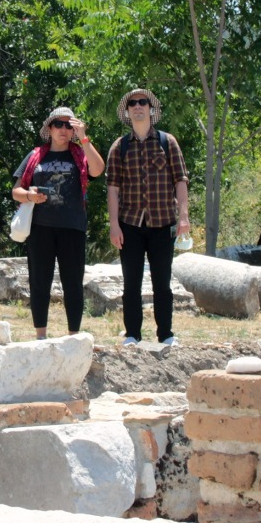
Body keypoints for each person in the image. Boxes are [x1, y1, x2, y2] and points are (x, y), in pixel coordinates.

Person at [104, 88, 191, 347]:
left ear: (151, 109)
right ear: (127, 111)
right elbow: (113, 189)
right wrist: (114, 225)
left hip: (163, 222)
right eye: (133, 103)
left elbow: (181, 180)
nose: (138, 106)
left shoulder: (168, 141)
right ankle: (132, 335)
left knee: (162, 284)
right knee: (131, 284)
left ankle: (166, 335)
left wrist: (184, 217)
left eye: (143, 102)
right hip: (130, 224)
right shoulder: (120, 147)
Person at [11, 107, 103, 338]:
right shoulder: (35, 156)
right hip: (40, 227)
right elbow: (16, 191)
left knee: (72, 283)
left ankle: (74, 336)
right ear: (49, 128)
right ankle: (40, 335)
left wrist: (84, 138)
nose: (64, 129)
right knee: (40, 282)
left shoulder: (80, 154)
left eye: (68, 125)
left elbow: (98, 169)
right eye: (59, 125)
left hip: (72, 226)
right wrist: (30, 195)